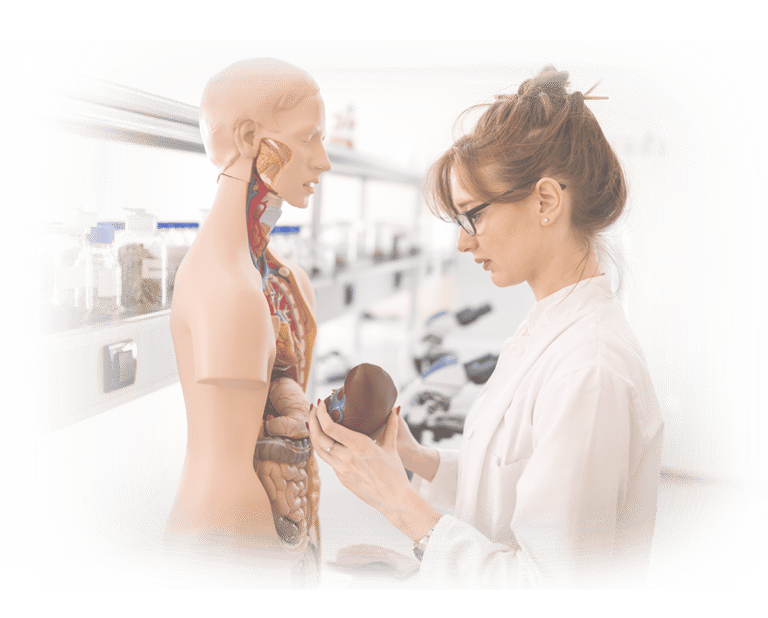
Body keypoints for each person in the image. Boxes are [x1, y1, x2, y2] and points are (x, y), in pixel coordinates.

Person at [308, 65, 664, 589]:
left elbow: (547, 588)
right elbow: (508, 492)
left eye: (473, 215)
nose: (463, 242)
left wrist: (396, 501)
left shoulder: (590, 370)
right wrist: (415, 459)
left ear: (546, 201)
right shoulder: (547, 329)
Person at [165, 58, 331, 589]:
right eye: (309, 138)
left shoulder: (281, 280)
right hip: (228, 545)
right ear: (248, 136)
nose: (323, 161)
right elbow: (229, 462)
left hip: (276, 531)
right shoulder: (227, 287)